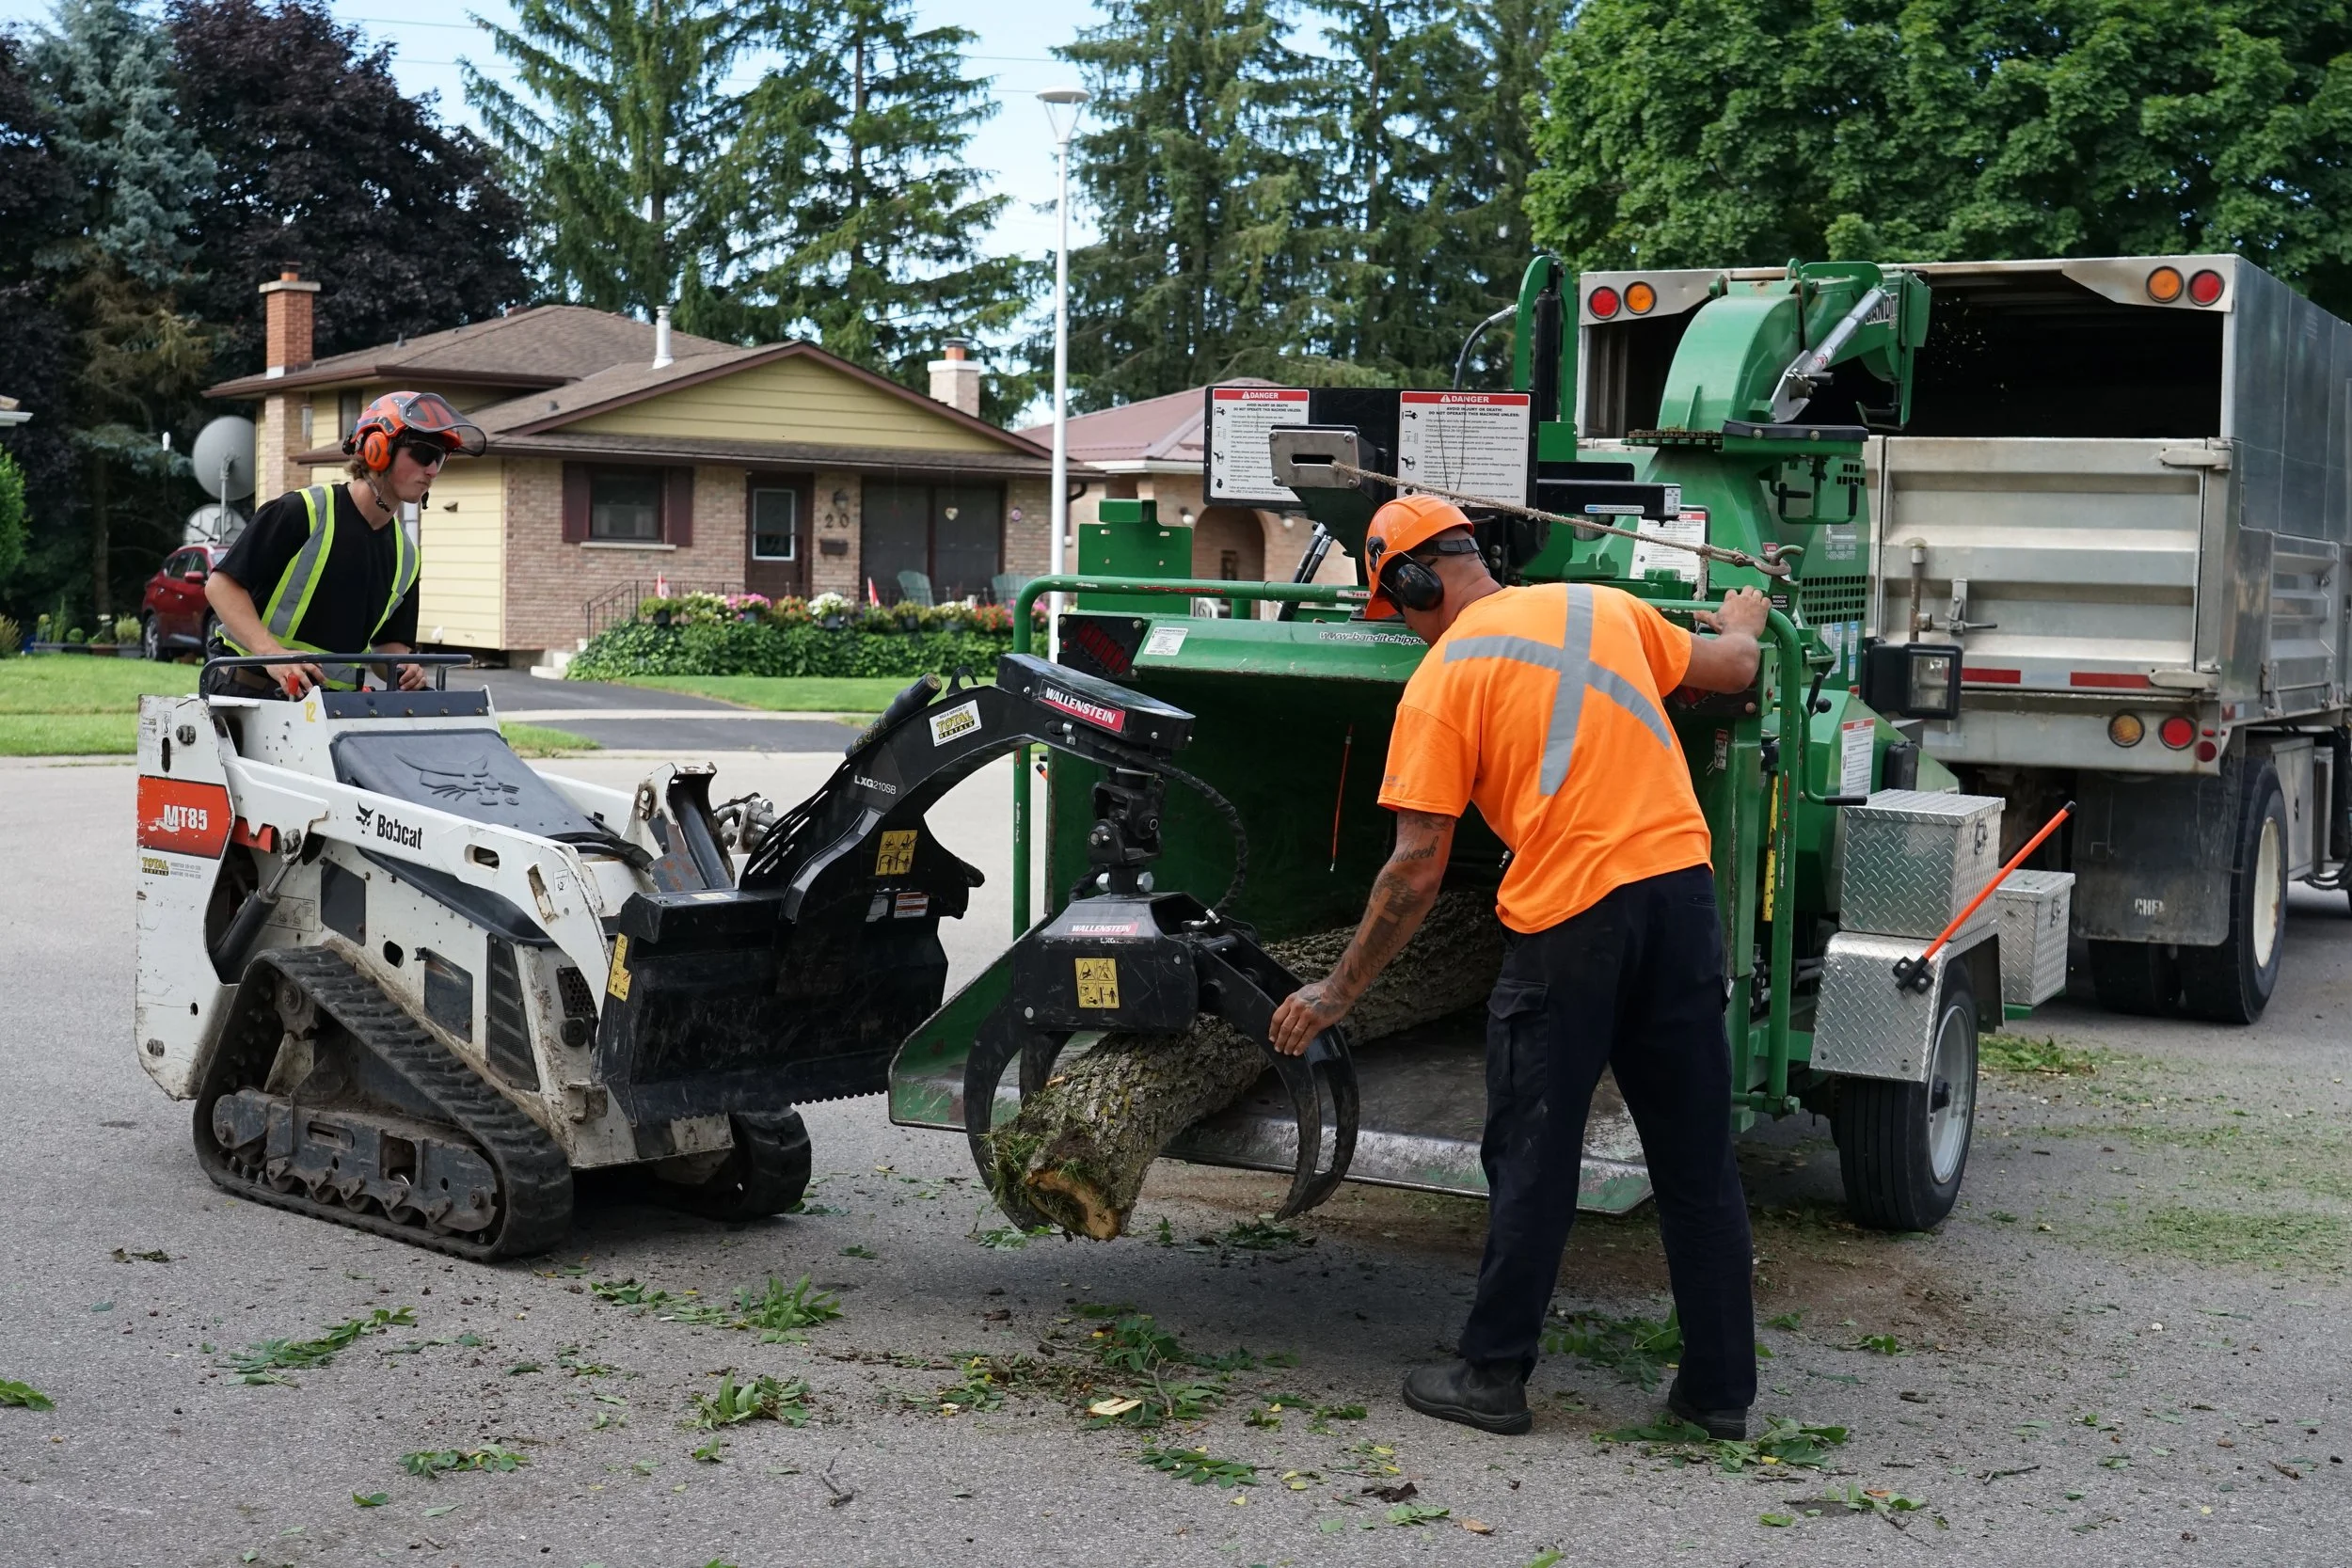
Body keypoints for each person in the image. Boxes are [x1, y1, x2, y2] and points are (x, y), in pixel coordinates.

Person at [1267, 493, 1772, 1439]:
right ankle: (1716, 1394)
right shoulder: (1601, 608)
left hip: (1572, 920)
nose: (1408, 628)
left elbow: (1415, 869)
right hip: (1679, 894)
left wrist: (1337, 990)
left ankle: (1491, 1373)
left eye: (1398, 607)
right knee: (1695, 1159)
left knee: (1534, 1152)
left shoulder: (1442, 677)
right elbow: (1735, 666)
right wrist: (1742, 613)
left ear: (1412, 584)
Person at [205, 390, 485, 698]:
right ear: (378, 447)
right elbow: (221, 586)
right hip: (248, 691)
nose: (432, 469)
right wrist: (273, 654)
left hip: (333, 708)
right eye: (423, 453)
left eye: (440, 458)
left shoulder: (406, 556)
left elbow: (388, 645)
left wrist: (405, 669)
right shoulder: (303, 512)